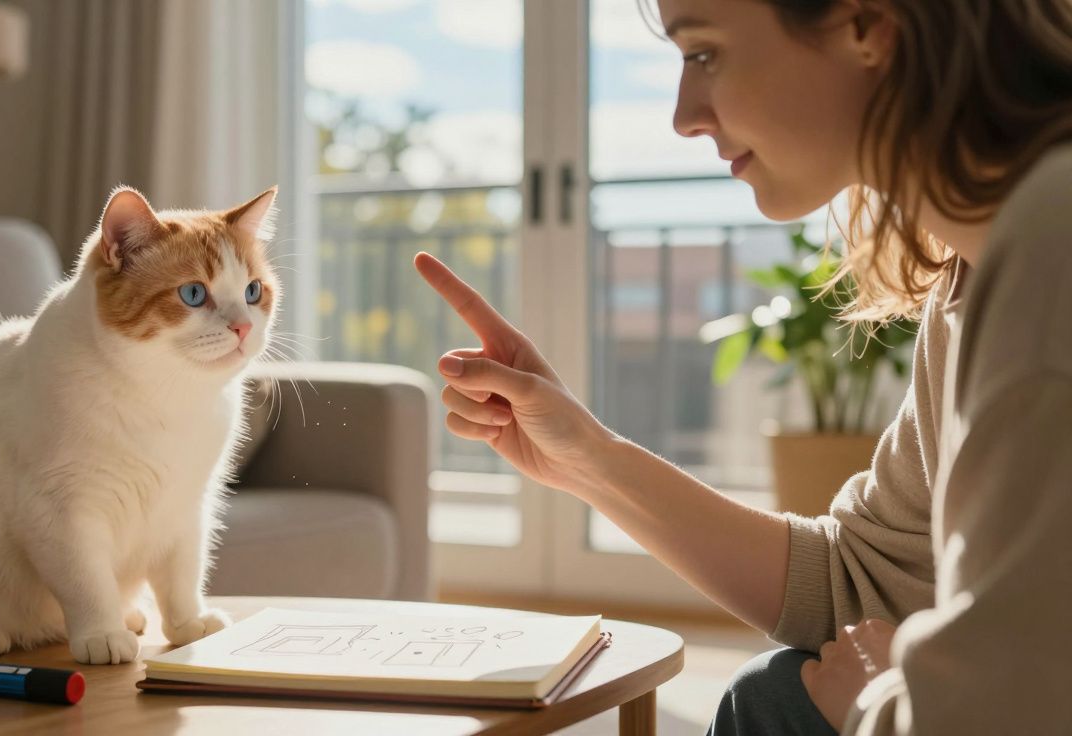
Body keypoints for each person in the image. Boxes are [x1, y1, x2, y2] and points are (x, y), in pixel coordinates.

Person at [413, 0, 1072, 733]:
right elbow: (860, 581)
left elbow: (1014, 710)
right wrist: (585, 458)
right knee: (772, 691)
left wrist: (871, 706)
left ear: (867, 27)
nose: (683, 117)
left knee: (776, 700)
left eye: (703, 54)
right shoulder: (978, 274)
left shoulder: (1053, 255)